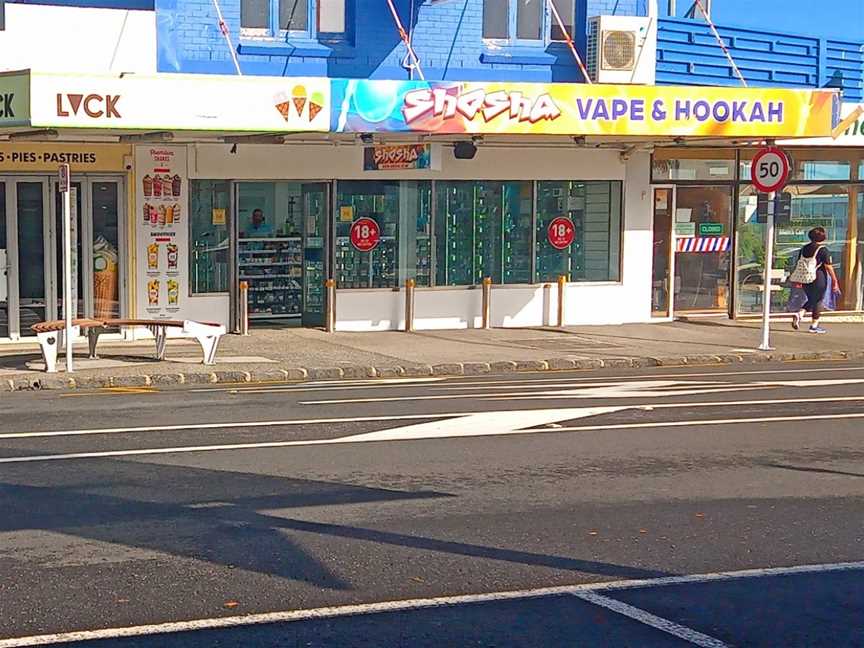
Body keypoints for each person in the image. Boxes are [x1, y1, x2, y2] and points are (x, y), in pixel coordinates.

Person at [791, 227, 840, 334]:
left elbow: (800, 264)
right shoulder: (822, 249)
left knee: (812, 299)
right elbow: (828, 267)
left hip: (805, 278)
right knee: (818, 300)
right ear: (822, 237)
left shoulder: (803, 249)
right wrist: (835, 281)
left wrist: (799, 281)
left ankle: (800, 314)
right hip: (819, 278)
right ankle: (813, 325)